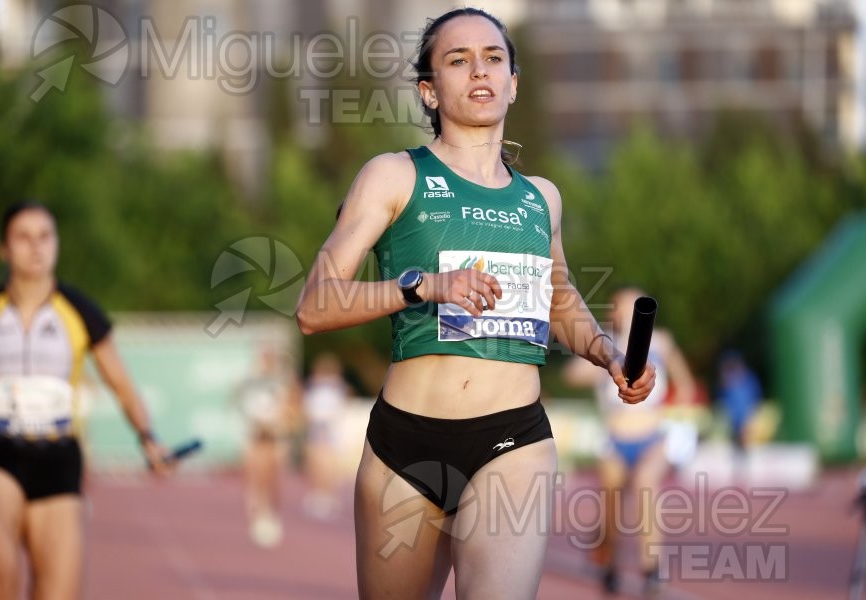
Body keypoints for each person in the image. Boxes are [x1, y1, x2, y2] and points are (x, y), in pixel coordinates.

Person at [295, 8, 656, 598]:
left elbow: (559, 297)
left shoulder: (542, 198)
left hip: (513, 441)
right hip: (402, 446)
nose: (479, 72)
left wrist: (607, 352)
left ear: (515, 82)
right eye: (458, 61)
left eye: (493, 59)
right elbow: (315, 306)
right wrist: (426, 285)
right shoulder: (393, 176)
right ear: (429, 91)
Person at [0, 201, 170, 600]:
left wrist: (148, 436)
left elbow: (121, 383)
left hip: (58, 459)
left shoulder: (78, 311)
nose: (36, 247)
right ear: (4, 250)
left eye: (45, 236)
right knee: (1, 583)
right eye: (23, 238)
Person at [562, 286, 695, 597]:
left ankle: (652, 569)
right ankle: (608, 559)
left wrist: (677, 412)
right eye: (620, 307)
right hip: (615, 441)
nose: (625, 313)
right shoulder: (604, 345)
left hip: (652, 438)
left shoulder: (661, 341)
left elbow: (685, 383)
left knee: (646, 486)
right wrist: (603, 368)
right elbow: (571, 374)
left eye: (631, 306)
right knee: (611, 503)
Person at [234, 344, 299, 548]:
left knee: (273, 474)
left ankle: (271, 513)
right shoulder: (250, 380)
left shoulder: (283, 380)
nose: (267, 361)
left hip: (276, 433)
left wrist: (282, 422)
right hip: (255, 432)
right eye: (264, 357)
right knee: (255, 473)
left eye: (270, 357)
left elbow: (293, 404)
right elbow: (240, 402)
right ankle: (258, 514)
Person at [300, 352, 350, 520]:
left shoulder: (337, 387)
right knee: (315, 462)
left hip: (330, 429)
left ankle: (328, 494)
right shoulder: (312, 387)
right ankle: (317, 493)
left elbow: (339, 407)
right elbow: (307, 408)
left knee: (327, 463)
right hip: (316, 428)